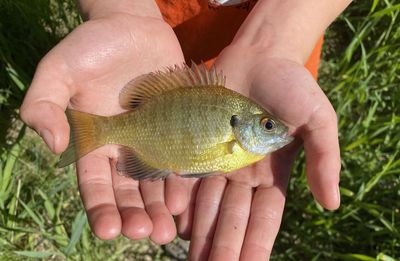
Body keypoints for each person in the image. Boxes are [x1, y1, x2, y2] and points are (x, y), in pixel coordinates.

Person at [20, 0, 352, 259]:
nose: (277, 130)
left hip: (259, 51)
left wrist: (280, 37)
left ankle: (184, 228)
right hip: (157, 32)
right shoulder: (236, 141)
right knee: (178, 203)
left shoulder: (244, 112)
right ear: (245, 123)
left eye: (269, 124)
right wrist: (120, 8)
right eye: (267, 125)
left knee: (192, 210)